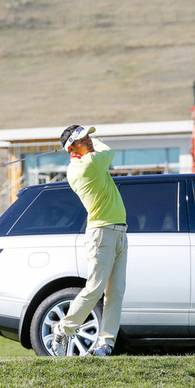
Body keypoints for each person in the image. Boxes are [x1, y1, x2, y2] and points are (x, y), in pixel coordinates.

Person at [51, 125, 128, 357]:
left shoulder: (88, 160)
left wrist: (86, 143)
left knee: (116, 291)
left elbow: (101, 151)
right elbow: (109, 151)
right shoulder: (87, 165)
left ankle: (105, 343)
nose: (89, 141)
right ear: (71, 148)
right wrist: (95, 141)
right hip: (102, 233)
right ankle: (63, 329)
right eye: (82, 139)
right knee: (95, 288)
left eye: (88, 137)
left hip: (118, 231)